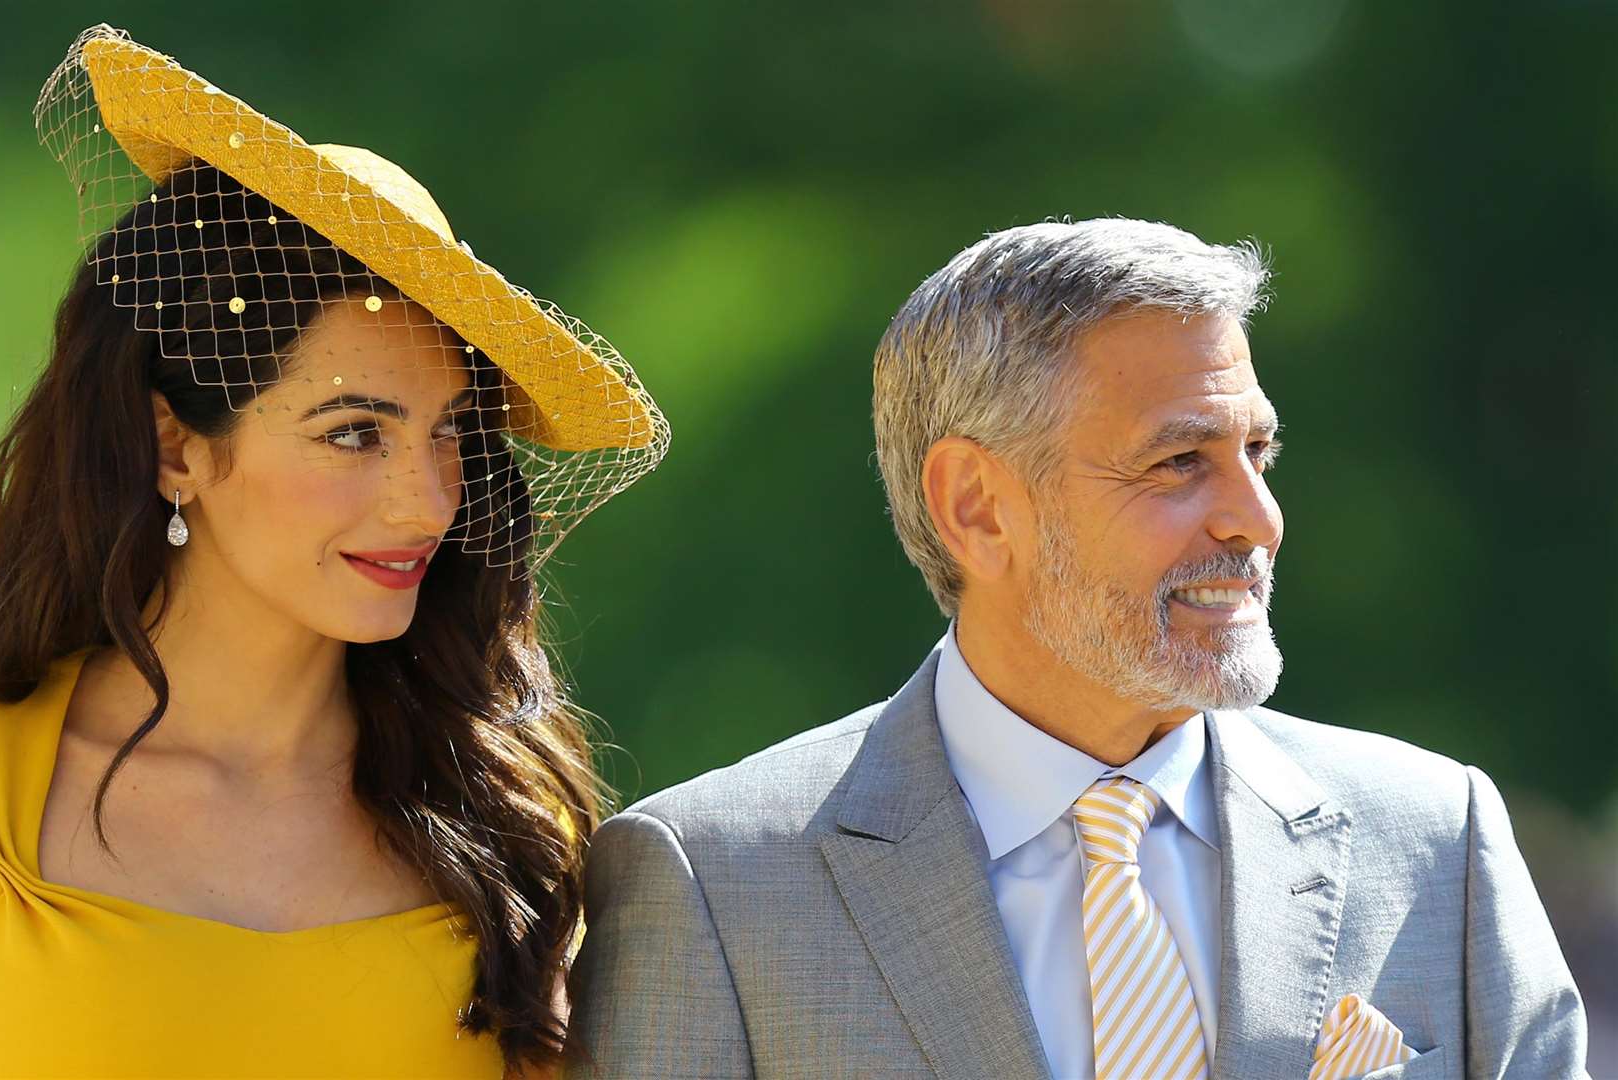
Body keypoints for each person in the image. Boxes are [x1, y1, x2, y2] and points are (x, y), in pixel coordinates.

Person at [0, 24, 666, 1079]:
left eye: (449, 433)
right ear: (175, 446)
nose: (426, 499)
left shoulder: (503, 815)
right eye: (354, 432)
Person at [568, 218, 1586, 1079]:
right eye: (1179, 461)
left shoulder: (1435, 839)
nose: (1254, 518)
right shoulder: (710, 885)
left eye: (1256, 453)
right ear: (975, 506)